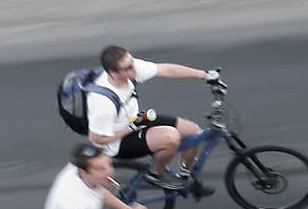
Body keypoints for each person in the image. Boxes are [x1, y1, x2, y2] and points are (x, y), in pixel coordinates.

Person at [86, 45, 221, 190]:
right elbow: (96, 139)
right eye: (128, 68)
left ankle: (186, 178)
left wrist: (205, 75)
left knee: (193, 131)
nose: (134, 69)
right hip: (118, 142)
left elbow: (166, 69)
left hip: (137, 120)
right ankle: (155, 174)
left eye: (132, 62)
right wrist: (131, 127)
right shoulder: (102, 103)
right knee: (171, 137)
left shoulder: (130, 67)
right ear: (114, 73)